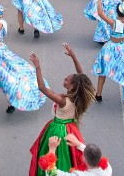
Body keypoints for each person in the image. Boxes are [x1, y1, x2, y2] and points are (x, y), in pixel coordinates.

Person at [28, 46, 96, 176]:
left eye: (66, 80)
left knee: (52, 152)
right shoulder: (79, 96)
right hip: (71, 128)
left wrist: (37, 66)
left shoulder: (63, 100)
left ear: (72, 86)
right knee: (70, 155)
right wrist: (73, 56)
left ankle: (52, 171)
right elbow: (80, 74)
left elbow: (42, 88)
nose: (64, 79)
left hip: (58, 129)